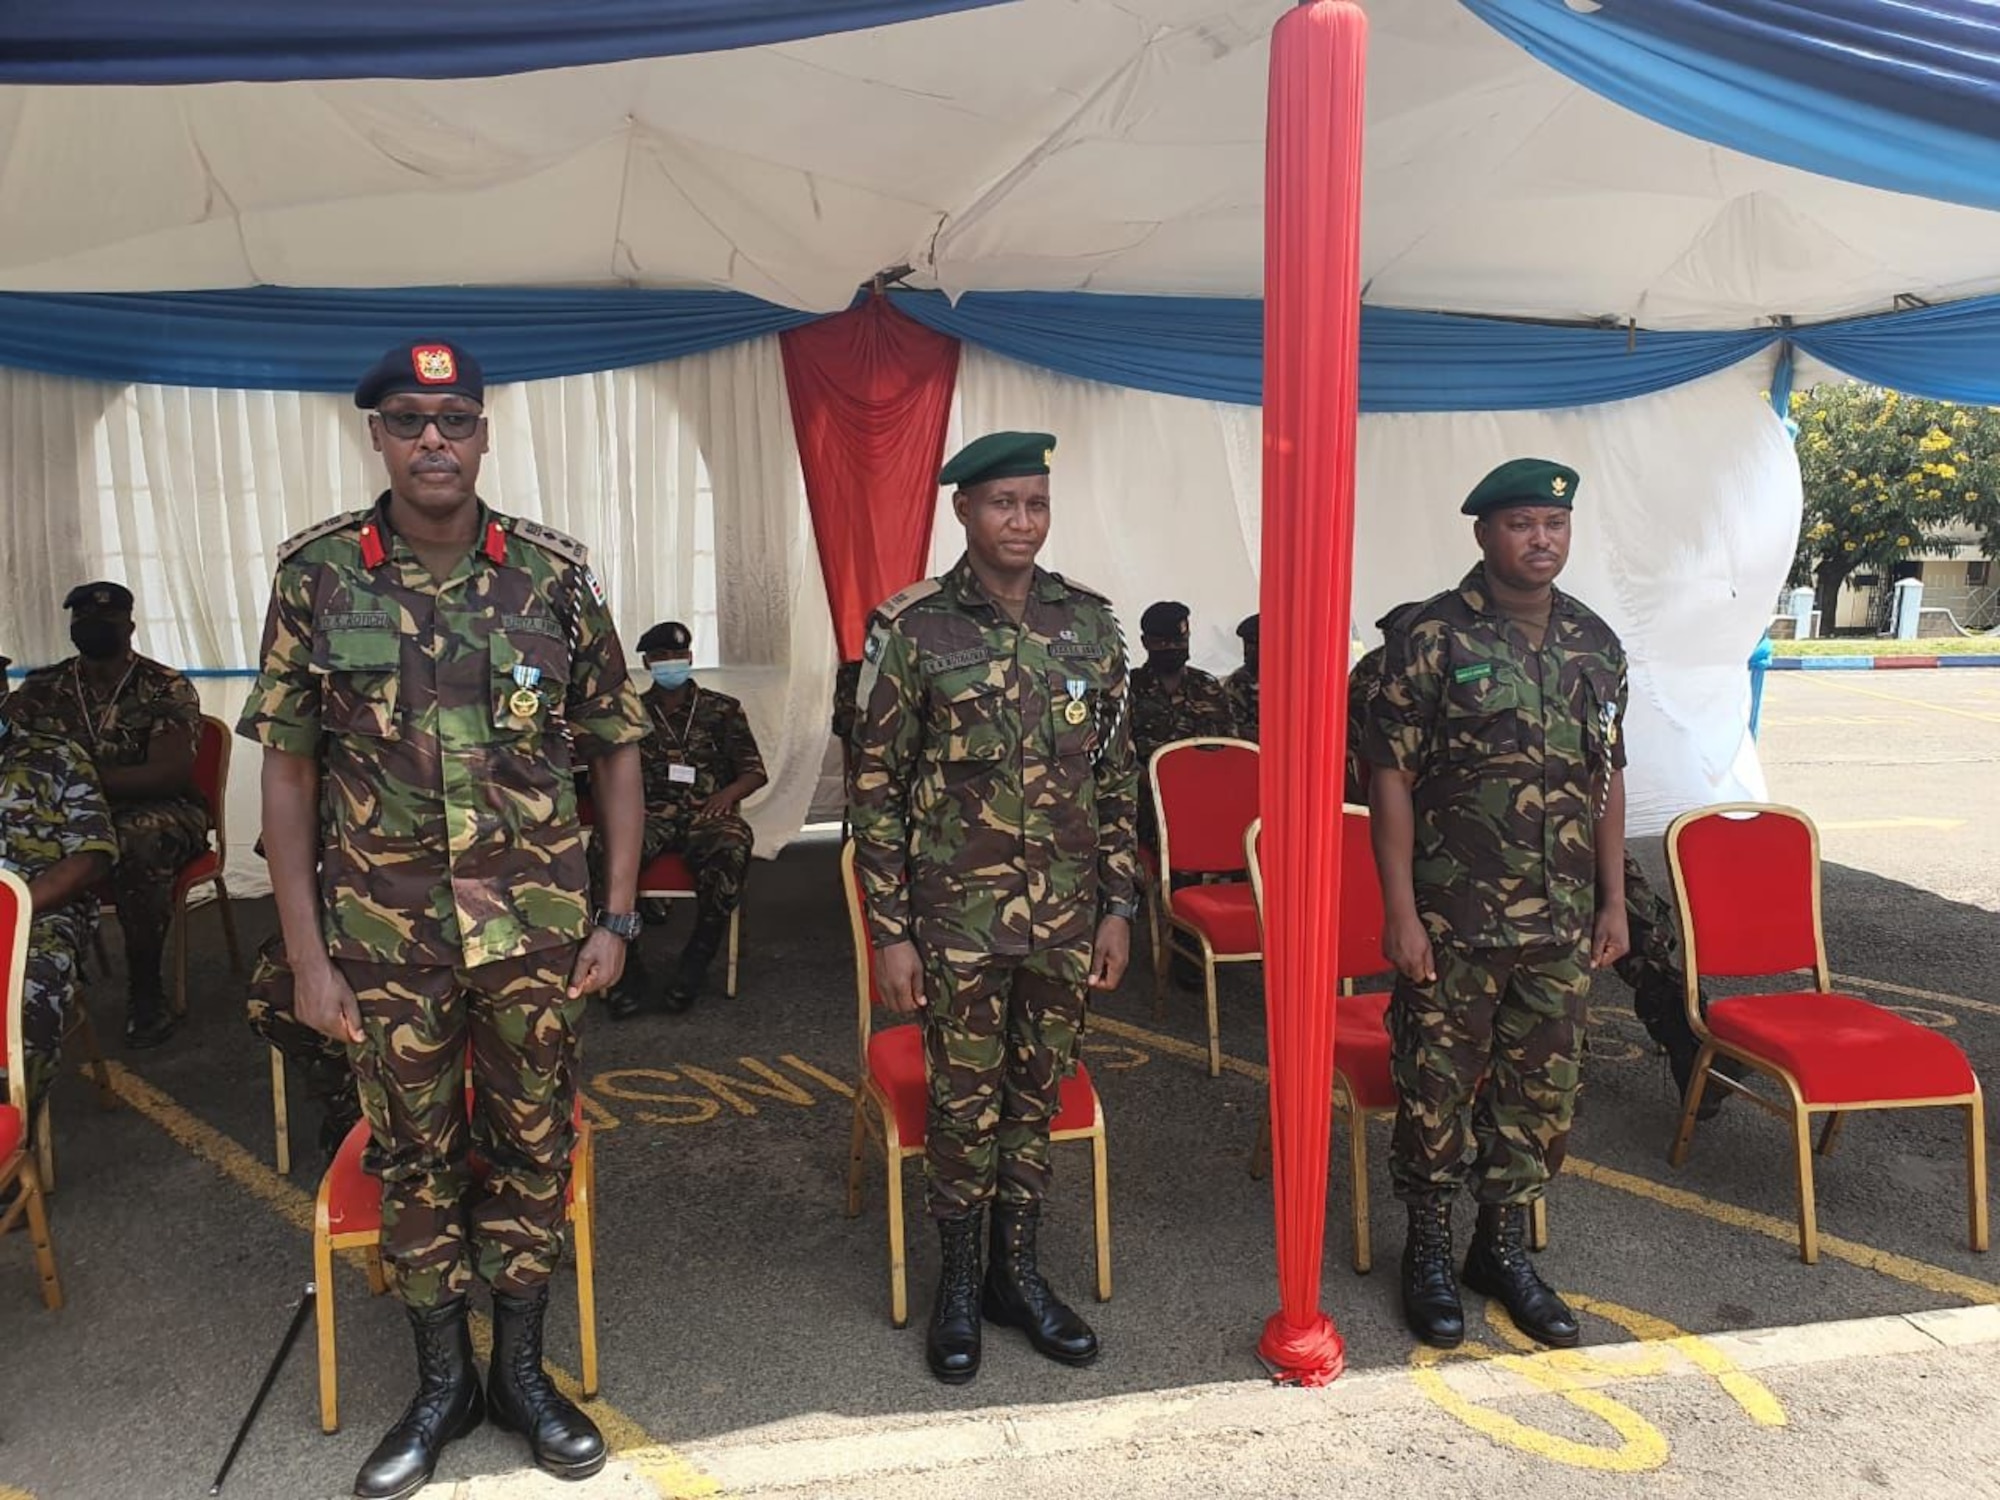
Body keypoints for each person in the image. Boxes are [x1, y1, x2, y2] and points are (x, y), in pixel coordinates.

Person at [238, 338, 649, 1499]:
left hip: (536, 937)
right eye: (410, 419)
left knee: (529, 1148)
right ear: (376, 434)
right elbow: (288, 777)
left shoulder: (553, 580)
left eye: (454, 419)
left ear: (481, 435)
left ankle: (520, 1377)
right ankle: (439, 1386)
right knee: (415, 1160)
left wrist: (615, 917)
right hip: (387, 943)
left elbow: (616, 746)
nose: (433, 440)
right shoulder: (319, 577)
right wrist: (310, 958)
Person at [849, 430, 1139, 1385]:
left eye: (1036, 505)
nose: (1023, 522)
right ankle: (961, 1286)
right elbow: (876, 793)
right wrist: (890, 933)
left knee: (1036, 1092)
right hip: (956, 926)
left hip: (1063, 919)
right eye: (1004, 504)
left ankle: (1019, 1272)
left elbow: (1116, 782)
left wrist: (1118, 908)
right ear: (964, 512)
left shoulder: (1089, 627)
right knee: (964, 1108)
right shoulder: (914, 629)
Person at [1361, 457, 1628, 1354]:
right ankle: (1429, 1254)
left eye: (1554, 524)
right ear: (1484, 533)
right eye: (1520, 524)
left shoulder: (1595, 643)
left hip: (1559, 922)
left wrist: (1613, 897)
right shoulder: (1432, 637)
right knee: (1434, 1090)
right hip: (1455, 918)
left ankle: (1501, 1252)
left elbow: (1607, 776)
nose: (1540, 540)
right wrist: (1399, 910)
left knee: (1539, 1097)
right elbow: (1388, 777)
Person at [10, 582, 210, 1048]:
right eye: (82, 623)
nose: (92, 630)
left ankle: (145, 992)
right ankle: (35, 969)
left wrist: (79, 778)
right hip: (69, 816)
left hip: (159, 812)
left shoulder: (164, 685)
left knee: (133, 841)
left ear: (130, 628)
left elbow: (170, 772)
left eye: (106, 623)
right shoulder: (44, 687)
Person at [600, 620, 767, 1019]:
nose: (670, 663)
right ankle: (627, 970)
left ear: (690, 658)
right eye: (661, 658)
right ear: (647, 662)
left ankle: (695, 962)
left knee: (732, 845)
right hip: (648, 815)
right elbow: (604, 773)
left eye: (677, 656)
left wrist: (726, 796)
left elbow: (754, 771)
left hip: (705, 814)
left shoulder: (722, 709)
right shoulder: (632, 713)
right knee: (604, 850)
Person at [0, 709, 116, 1115]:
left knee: (31, 986)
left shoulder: (56, 757)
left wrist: (15, 908)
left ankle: (13, 1126)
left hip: (40, 915)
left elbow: (91, 856)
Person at [1129, 600, 1237, 846]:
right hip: (1147, 813)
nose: (1172, 648)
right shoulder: (1127, 689)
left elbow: (1230, 748)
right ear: (1146, 642)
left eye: (1179, 641)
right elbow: (1118, 756)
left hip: (1206, 808)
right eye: (1163, 643)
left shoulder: (1208, 688)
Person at [1224, 614, 1259, 742]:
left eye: (1255, 644)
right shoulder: (1239, 682)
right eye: (1246, 643)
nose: (1247, 650)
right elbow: (1234, 728)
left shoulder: (1297, 679)